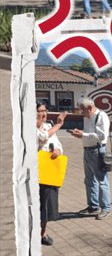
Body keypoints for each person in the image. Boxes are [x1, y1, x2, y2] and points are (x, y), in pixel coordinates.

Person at [70, 99, 112, 220]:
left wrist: (83, 134)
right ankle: (93, 206)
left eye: (82, 110)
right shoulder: (87, 117)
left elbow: (102, 136)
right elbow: (89, 133)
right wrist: (80, 134)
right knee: (89, 180)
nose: (81, 113)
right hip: (87, 150)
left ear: (89, 108)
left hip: (97, 150)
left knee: (102, 180)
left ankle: (106, 208)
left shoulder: (101, 116)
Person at [36, 103, 68, 246]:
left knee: (48, 205)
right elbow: (42, 137)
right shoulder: (31, 127)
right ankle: (36, 233)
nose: (43, 114)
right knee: (39, 204)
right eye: (40, 111)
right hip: (37, 172)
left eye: (45, 110)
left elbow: (58, 144)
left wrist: (58, 151)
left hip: (50, 171)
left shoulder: (48, 126)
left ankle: (43, 232)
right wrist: (59, 124)